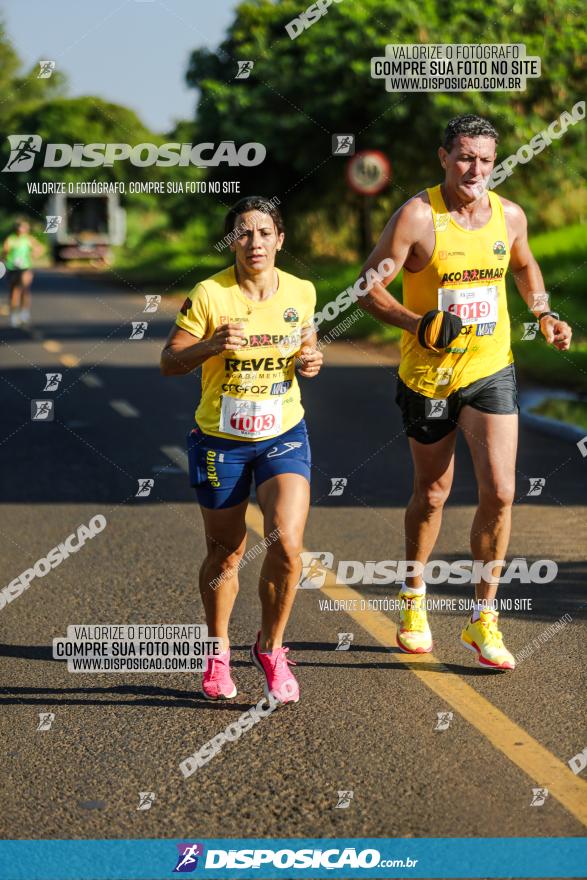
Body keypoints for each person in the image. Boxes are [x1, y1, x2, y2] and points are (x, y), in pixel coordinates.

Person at [357, 115, 572, 670]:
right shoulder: (418, 216)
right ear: (443, 157)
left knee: (501, 492)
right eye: (464, 158)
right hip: (429, 376)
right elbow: (368, 289)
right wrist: (418, 323)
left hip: (490, 369)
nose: (475, 169)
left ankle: (483, 620)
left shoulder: (509, 215)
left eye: (485, 158)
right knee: (433, 492)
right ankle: (412, 599)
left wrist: (544, 313)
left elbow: (524, 266)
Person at [160, 196, 322, 702]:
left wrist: (312, 358)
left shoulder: (301, 289)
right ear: (232, 241)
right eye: (243, 234)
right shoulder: (210, 294)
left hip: (283, 433)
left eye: (264, 233)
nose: (254, 243)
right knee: (226, 553)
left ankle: (270, 649)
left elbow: (307, 341)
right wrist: (210, 346)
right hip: (220, 441)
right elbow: (169, 360)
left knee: (287, 544)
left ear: (280, 239)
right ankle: (217, 649)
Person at [2, 219, 44, 327]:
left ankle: (24, 312)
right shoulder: (11, 239)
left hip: (25, 268)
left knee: (25, 290)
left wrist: (35, 254)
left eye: (26, 228)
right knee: (14, 291)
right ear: (17, 228)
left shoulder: (29, 239)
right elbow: (5, 252)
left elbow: (39, 249)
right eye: (22, 227)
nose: (24, 230)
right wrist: (7, 259)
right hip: (13, 268)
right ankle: (14, 315)